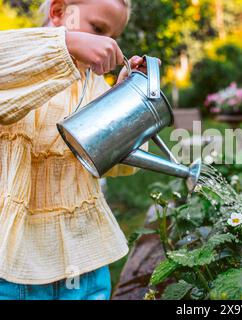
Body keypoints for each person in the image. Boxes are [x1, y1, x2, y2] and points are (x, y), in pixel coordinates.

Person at [0, 0, 151, 299]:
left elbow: (115, 161)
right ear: (58, 13)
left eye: (113, 35)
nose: (108, 43)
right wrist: (66, 43)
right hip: (13, 262)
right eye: (97, 29)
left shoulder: (93, 85)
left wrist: (124, 99)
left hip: (83, 259)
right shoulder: (21, 61)